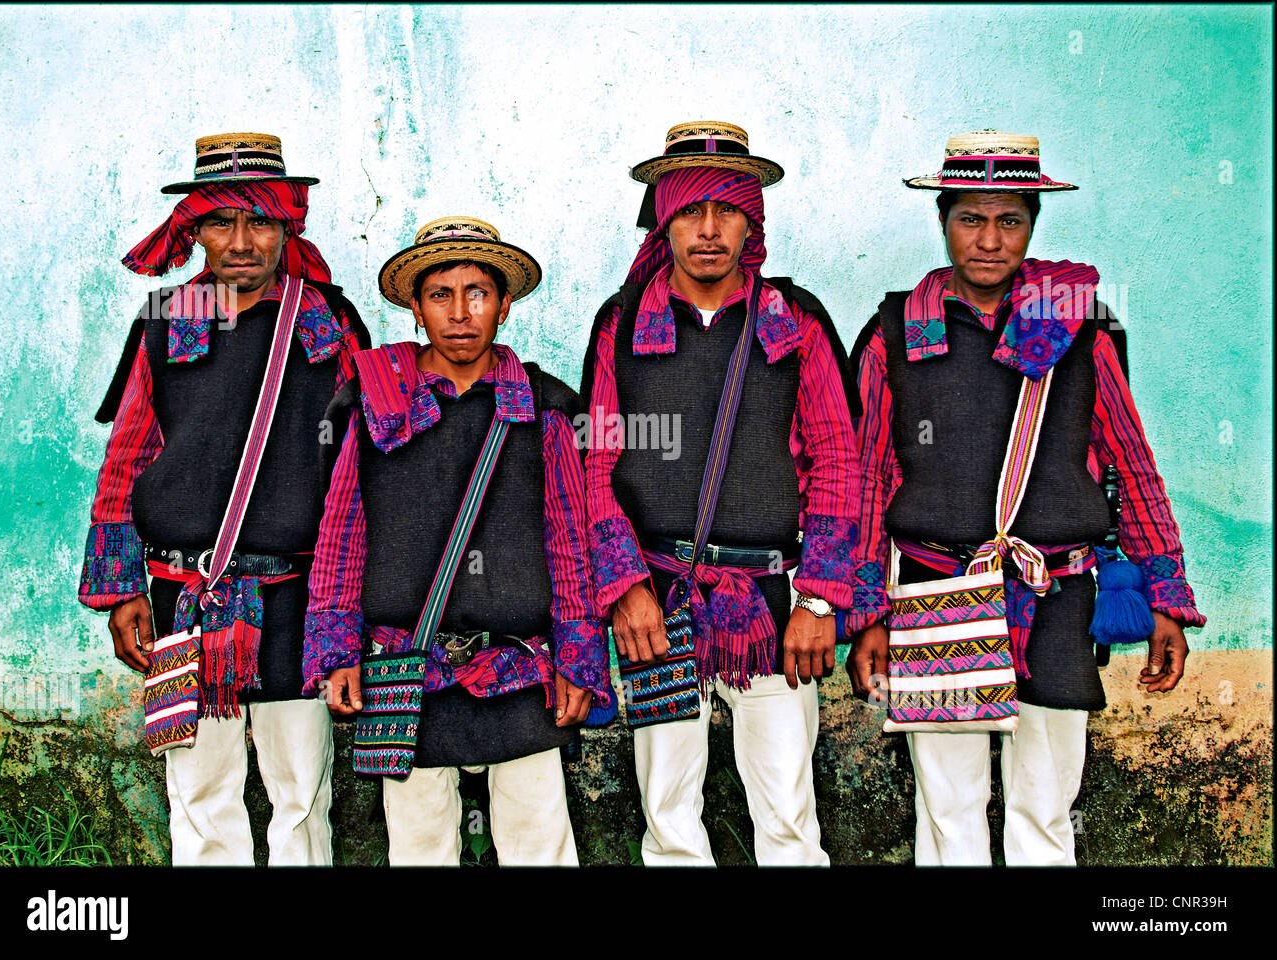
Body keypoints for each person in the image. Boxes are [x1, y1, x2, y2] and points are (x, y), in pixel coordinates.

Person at [844, 130, 1206, 866]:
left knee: (1046, 807)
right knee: (950, 809)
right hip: (936, 587)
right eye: (970, 219)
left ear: (1033, 226)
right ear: (942, 221)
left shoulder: (1079, 328)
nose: (988, 240)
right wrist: (864, 613)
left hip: (1058, 590)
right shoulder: (895, 335)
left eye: (1009, 220)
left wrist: (1167, 594)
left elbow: (1132, 468)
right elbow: (865, 482)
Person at [78, 132, 369, 865]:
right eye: (221, 222)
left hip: (295, 594)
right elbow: (129, 458)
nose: (241, 242)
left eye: (261, 221)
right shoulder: (165, 320)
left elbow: (361, 466)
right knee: (200, 793)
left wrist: (349, 598)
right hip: (182, 595)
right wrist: (121, 590)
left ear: (287, 226)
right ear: (196, 229)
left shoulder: (328, 325)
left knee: (302, 791)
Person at [581, 121, 862, 865]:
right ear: (663, 219)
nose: (709, 230)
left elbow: (839, 457)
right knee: (669, 817)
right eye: (690, 210)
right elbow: (593, 467)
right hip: (657, 604)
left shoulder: (793, 323)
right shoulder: (620, 326)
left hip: (770, 606)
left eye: (727, 210)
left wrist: (820, 601)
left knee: (790, 819)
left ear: (752, 220)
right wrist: (623, 589)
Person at [303, 216, 610, 866]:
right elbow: (342, 535)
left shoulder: (544, 408)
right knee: (418, 847)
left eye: (478, 292)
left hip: (521, 667)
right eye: (441, 294)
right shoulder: (374, 404)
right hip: (405, 667)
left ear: (504, 304)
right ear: (415, 306)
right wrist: (336, 651)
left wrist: (579, 656)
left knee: (540, 844)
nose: (461, 312)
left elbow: (568, 540)